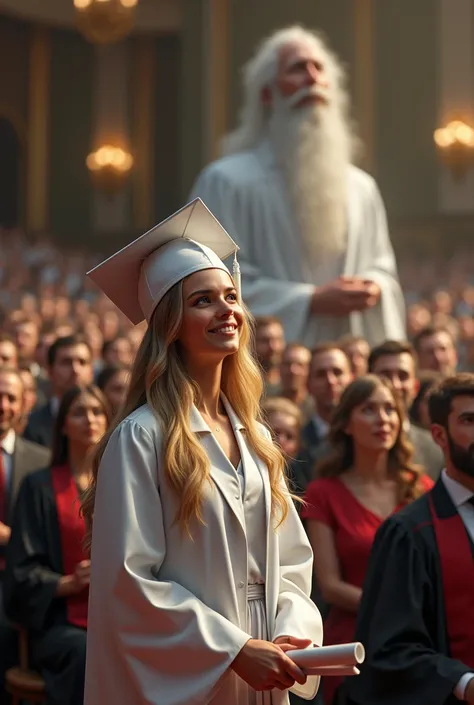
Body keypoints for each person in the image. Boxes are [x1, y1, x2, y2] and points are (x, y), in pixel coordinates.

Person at [82, 198, 323, 705]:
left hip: (267, 666)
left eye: (231, 296)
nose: (227, 310)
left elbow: (293, 562)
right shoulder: (142, 437)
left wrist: (290, 634)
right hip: (193, 676)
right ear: (170, 325)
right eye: (203, 301)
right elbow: (128, 583)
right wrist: (234, 650)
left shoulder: (255, 436)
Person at [190, 26, 405, 347]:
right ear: (267, 94)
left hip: (351, 361)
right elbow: (208, 280)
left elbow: (382, 267)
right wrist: (309, 301)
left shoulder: (362, 187)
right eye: (297, 68)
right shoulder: (225, 182)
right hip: (267, 363)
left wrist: (374, 286)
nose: (312, 79)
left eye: (319, 68)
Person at [302, 375, 433, 705]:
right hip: (353, 646)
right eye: (369, 409)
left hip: (420, 644)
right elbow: (329, 586)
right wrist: (394, 611)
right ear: (346, 423)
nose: (383, 419)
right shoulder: (324, 492)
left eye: (390, 409)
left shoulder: (423, 490)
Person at [346, 374, 474, 705]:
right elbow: (391, 649)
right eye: (469, 420)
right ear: (438, 435)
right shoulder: (409, 533)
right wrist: (464, 683)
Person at [3, 384, 110, 705]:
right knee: (86, 652)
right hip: (61, 623)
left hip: (118, 616)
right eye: (79, 412)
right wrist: (67, 583)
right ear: (63, 425)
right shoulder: (39, 488)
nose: (89, 420)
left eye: (97, 412)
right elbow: (20, 575)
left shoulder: (122, 483)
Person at [0, 367, 50, 705]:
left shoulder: (40, 460)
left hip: (19, 582)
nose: (2, 405)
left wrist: (10, 536)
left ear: (24, 405)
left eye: (10, 398)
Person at [368, 340, 444, 479]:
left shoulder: (437, 450)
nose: (394, 385)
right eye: (385, 375)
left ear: (415, 387)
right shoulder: (344, 447)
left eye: (403, 376)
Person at [23, 335, 94, 448]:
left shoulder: (108, 424)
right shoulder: (32, 425)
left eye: (82, 362)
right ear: (50, 371)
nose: (75, 370)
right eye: (66, 362)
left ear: (92, 372)